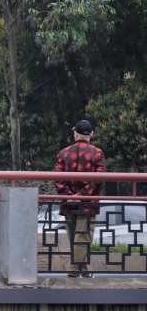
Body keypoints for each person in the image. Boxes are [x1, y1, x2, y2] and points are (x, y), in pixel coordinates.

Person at [54, 118, 105, 277]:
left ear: (75, 134)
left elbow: (57, 178)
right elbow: (99, 178)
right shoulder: (97, 153)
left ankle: (84, 271)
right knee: (83, 239)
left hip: (68, 205)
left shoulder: (63, 153)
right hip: (88, 204)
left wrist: (70, 196)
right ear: (91, 134)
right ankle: (74, 272)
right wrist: (81, 195)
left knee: (74, 239)